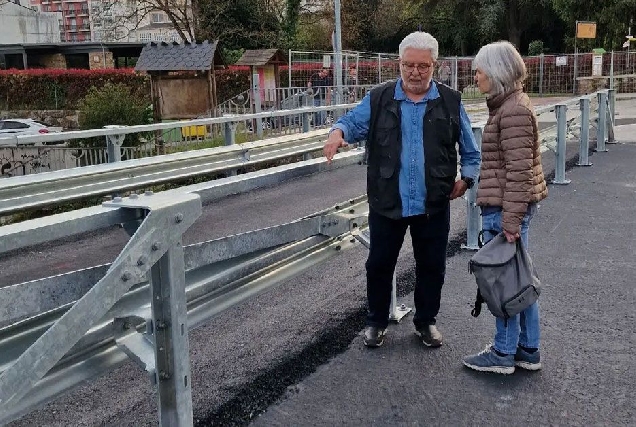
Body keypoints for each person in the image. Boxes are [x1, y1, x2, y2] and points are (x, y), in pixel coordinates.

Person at [323, 31, 481, 348]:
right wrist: (337, 132)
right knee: (379, 264)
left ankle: (426, 322)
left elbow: (471, 151)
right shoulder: (380, 98)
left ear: (434, 65)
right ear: (399, 63)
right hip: (388, 200)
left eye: (423, 66)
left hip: (433, 202)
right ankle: (376, 322)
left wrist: (467, 178)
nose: (414, 72)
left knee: (432, 265)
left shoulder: (450, 101)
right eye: (408, 64)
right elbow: (352, 122)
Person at [462, 41, 548, 374]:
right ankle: (527, 349)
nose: (476, 75)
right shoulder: (510, 105)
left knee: (506, 283)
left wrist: (510, 221)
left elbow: (519, 172)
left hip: (505, 209)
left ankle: (503, 352)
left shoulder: (511, 111)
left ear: (497, 72)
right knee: (520, 279)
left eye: (480, 70)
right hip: (507, 207)